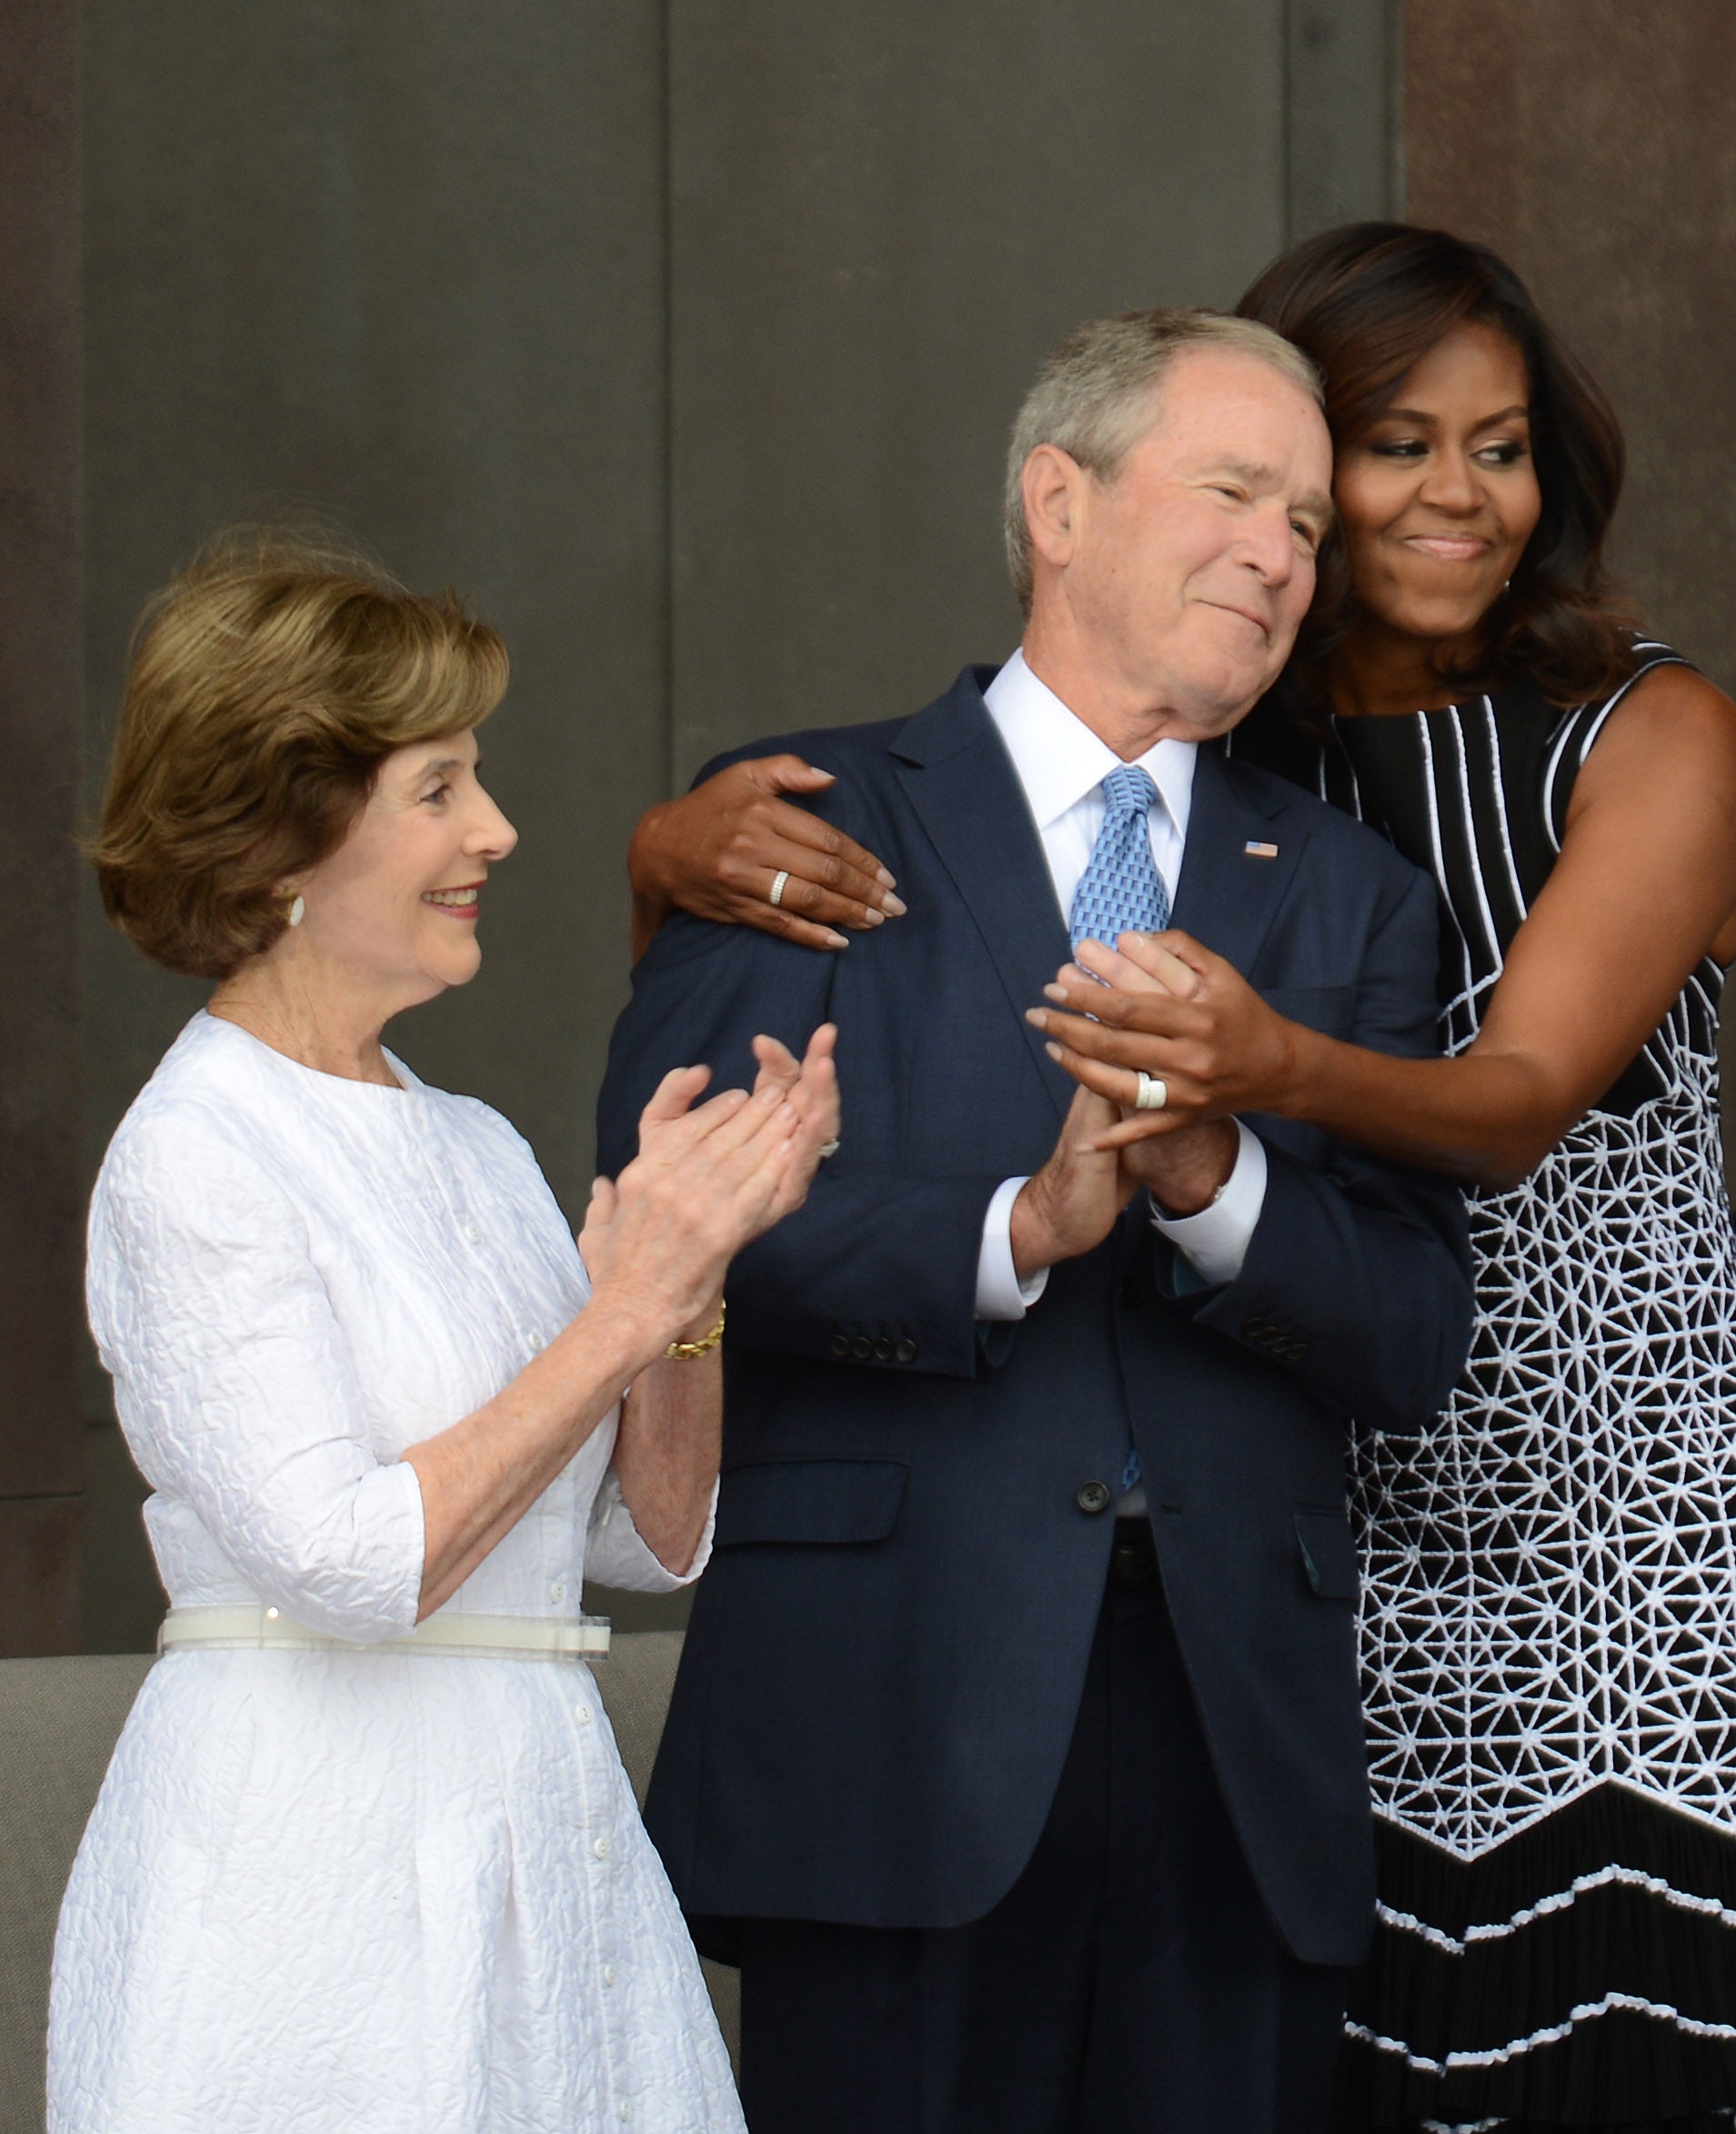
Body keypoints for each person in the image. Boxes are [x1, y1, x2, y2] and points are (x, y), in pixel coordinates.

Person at [630, 227, 1736, 2133]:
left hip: (1408, 1630)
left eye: (1303, 516)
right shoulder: (839, 812)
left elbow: (1464, 1210)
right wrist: (1009, 1226)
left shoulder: (1405, 849)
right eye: (1267, 485)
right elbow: (675, 1199)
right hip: (995, 1691)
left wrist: (1227, 1144)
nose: (1303, 543)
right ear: (1060, 505)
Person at [47, 533, 838, 2134]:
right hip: (309, 1867)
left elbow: (648, 1538)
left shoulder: (467, 1139)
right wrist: (622, 1310)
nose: (497, 830)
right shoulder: (197, 1152)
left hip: (537, 1835)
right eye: (438, 788)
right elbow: (348, 1562)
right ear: (284, 832)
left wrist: (691, 1292)